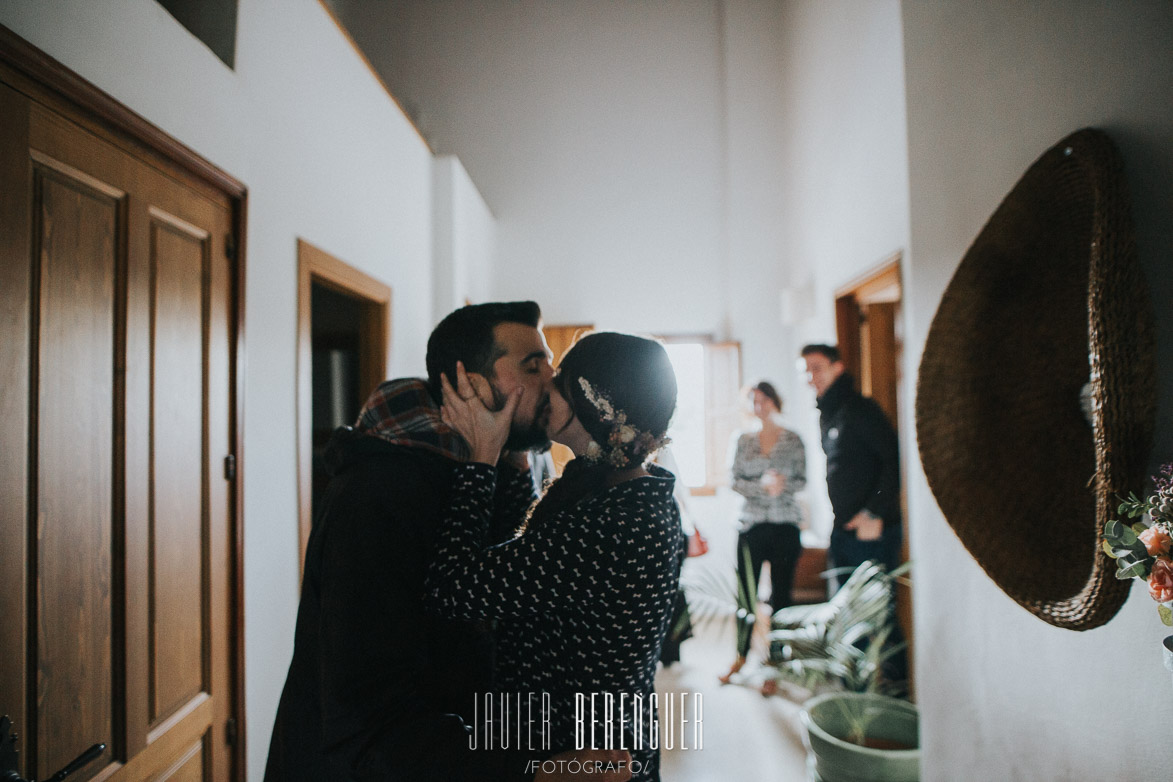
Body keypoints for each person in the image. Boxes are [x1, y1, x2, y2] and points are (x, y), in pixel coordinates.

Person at [264, 301, 627, 782]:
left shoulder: (497, 465)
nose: (553, 383)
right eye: (532, 366)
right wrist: (537, 771)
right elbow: (368, 719)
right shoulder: (379, 493)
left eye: (550, 364)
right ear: (468, 384)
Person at [425, 332, 684, 782]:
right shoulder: (631, 493)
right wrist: (512, 460)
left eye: (563, 380)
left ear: (597, 403)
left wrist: (480, 460)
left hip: (578, 757)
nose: (547, 386)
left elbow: (454, 589)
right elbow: (524, 566)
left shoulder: (615, 524)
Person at [719, 381, 807, 686]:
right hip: (751, 525)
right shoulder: (742, 439)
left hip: (785, 525)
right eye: (754, 401)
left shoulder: (793, 439)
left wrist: (783, 484)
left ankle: (776, 663)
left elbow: (803, 479)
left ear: (774, 401)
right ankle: (741, 656)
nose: (759, 406)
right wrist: (761, 486)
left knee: (781, 596)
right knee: (746, 595)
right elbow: (733, 480)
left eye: (764, 400)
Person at [799, 344, 901, 579]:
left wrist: (872, 513)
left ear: (837, 367)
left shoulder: (860, 409)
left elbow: (893, 460)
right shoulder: (828, 414)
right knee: (846, 613)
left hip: (871, 531)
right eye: (806, 370)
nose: (811, 377)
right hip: (843, 528)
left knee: (875, 612)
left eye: (817, 368)